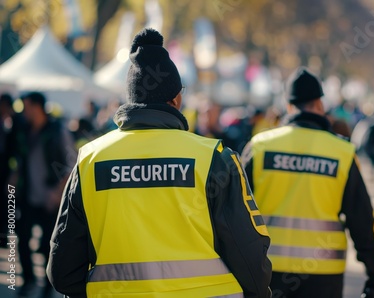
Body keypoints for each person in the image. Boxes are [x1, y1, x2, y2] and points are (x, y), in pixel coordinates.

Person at [47, 28, 272, 298]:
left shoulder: (91, 159)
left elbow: (62, 270)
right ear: (176, 99)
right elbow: (248, 254)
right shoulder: (214, 157)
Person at [242, 67, 374, 298]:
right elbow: (363, 220)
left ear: (289, 107)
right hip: (323, 274)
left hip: (267, 272)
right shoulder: (342, 153)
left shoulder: (259, 147)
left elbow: (234, 213)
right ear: (320, 105)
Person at [14, 91, 75, 297]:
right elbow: (20, 160)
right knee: (22, 239)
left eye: (26, 106)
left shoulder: (57, 130)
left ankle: (49, 284)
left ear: (36, 106)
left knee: (49, 244)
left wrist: (57, 193)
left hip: (50, 198)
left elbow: (70, 164)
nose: (23, 111)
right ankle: (28, 280)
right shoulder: (24, 130)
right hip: (28, 195)